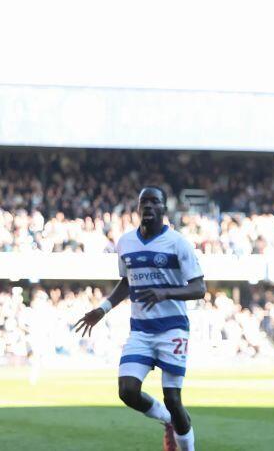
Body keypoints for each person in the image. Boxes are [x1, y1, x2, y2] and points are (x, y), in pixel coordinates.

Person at [73, 186, 206, 451]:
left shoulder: (178, 243)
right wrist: (103, 309)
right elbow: (127, 282)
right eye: (143, 202)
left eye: (154, 201)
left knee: (173, 398)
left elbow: (199, 288)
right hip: (141, 331)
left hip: (172, 330)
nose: (148, 206)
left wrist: (164, 292)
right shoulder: (125, 242)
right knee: (127, 391)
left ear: (163, 209)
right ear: (137, 208)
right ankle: (167, 421)